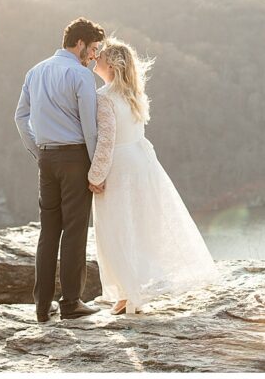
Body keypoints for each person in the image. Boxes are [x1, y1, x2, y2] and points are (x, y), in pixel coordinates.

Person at [87, 38, 218, 314]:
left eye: (100, 56)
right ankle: (132, 291)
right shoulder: (133, 93)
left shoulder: (104, 97)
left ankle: (127, 294)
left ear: (111, 65)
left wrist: (95, 175)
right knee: (139, 226)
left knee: (117, 228)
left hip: (120, 167)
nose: (95, 58)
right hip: (142, 164)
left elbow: (107, 140)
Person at [15, 17, 106, 322]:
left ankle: (42, 307)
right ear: (80, 43)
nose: (93, 55)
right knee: (75, 231)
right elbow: (90, 129)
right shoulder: (80, 75)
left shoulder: (35, 71)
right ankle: (70, 303)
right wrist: (96, 169)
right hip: (76, 158)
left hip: (46, 158)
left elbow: (20, 118)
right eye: (92, 48)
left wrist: (37, 150)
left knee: (49, 231)